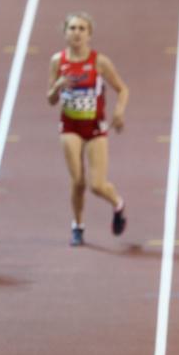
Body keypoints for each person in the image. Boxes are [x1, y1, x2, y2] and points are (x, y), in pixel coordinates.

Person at [46, 12, 129, 246]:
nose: (77, 33)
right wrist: (59, 86)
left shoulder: (99, 61)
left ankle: (118, 204)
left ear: (89, 34)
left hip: (95, 127)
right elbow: (50, 99)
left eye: (82, 29)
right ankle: (78, 226)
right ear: (65, 33)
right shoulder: (57, 61)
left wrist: (119, 111)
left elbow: (122, 89)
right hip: (70, 126)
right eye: (72, 28)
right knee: (78, 181)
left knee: (97, 185)